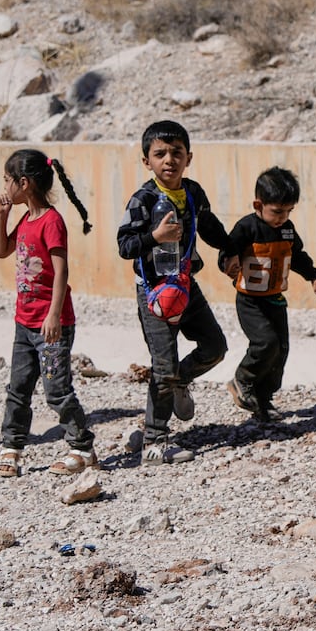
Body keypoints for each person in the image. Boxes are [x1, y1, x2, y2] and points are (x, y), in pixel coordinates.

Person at [116, 120, 238, 466]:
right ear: (146, 161)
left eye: (176, 153)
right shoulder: (143, 199)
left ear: (188, 158)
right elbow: (125, 245)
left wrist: (229, 249)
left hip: (185, 286)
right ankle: (154, 441)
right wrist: (155, 237)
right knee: (163, 364)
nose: (169, 160)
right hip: (155, 292)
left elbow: (209, 225)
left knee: (215, 347)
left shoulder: (193, 192)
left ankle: (181, 382)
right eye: (160, 154)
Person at [0, 150, 96, 478]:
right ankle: (13, 446)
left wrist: (53, 315)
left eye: (8, 180)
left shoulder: (52, 222)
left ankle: (82, 447)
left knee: (56, 388)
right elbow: (1, 250)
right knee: (18, 387)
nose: (5, 186)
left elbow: (61, 271)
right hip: (24, 323)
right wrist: (1, 215)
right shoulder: (25, 219)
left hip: (52, 325)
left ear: (24, 183)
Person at [222, 167, 316, 422]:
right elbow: (228, 252)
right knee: (265, 342)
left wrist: (313, 276)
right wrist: (228, 263)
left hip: (275, 299)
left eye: (288, 211)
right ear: (259, 204)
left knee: (280, 351)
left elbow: (298, 256)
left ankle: (263, 401)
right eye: (277, 211)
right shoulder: (247, 228)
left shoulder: (287, 230)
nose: (283, 217)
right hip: (250, 300)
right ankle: (242, 379)